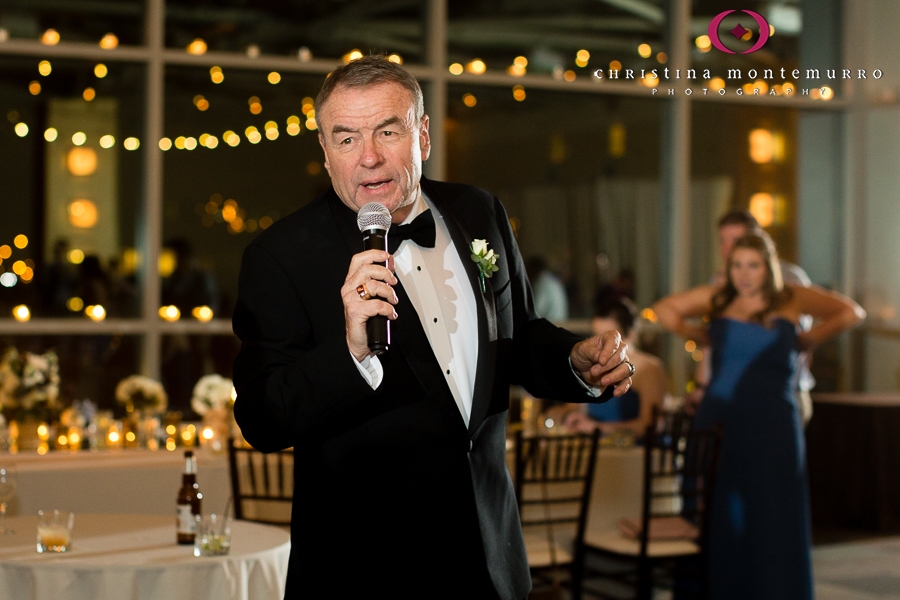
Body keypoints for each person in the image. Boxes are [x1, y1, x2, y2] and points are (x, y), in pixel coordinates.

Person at [231, 55, 634, 600]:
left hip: (490, 559)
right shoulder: (281, 257)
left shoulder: (478, 211)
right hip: (365, 572)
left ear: (421, 135)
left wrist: (574, 361)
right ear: (325, 153)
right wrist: (351, 352)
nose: (368, 157)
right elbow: (262, 416)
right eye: (345, 139)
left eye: (387, 131)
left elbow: (520, 338)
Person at [653, 233, 865, 600]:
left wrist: (811, 338)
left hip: (773, 423)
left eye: (753, 265)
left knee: (773, 515)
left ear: (769, 267)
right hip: (720, 421)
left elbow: (851, 312)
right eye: (737, 265)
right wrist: (699, 334)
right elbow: (664, 308)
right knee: (720, 515)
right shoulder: (720, 299)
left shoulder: (791, 297)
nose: (745, 274)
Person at [694, 210, 816, 424]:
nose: (728, 248)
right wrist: (702, 386)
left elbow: (796, 339)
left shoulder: (789, 279)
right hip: (733, 393)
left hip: (783, 390)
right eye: (723, 241)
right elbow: (715, 343)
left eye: (736, 240)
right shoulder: (718, 281)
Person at [562, 298, 667, 438]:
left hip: (636, 453)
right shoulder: (590, 367)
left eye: (610, 337)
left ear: (630, 333)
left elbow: (651, 425)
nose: (601, 346)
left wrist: (597, 428)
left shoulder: (648, 368)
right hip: (599, 450)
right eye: (597, 337)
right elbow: (573, 411)